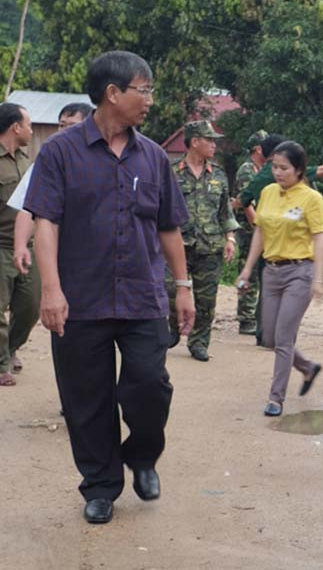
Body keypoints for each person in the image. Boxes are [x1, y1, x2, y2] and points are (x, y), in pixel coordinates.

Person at [24, 50, 195, 525]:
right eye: (145, 90)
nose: (150, 100)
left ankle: (141, 454)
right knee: (87, 398)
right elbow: (47, 222)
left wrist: (183, 286)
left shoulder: (155, 156)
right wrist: (52, 290)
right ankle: (100, 485)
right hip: (81, 297)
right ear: (113, 93)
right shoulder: (60, 152)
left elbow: (168, 228)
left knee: (149, 385)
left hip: (141, 296)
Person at [236, 141, 323, 417]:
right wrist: (247, 270)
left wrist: (318, 279)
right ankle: (308, 367)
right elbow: (260, 233)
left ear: (299, 170)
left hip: (300, 272)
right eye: (274, 167)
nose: (278, 173)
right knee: (269, 338)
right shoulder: (267, 193)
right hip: (271, 272)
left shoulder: (312, 199)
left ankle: (276, 399)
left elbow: (319, 239)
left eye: (284, 168)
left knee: (284, 338)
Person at [7, 102, 92, 380]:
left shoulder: (114, 158)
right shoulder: (50, 160)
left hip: (104, 265)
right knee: (69, 329)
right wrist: (21, 245)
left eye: (72, 126)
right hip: (61, 261)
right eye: (61, 126)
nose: (63, 132)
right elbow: (27, 208)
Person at [166, 120, 239, 361]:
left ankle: (198, 342)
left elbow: (225, 212)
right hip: (177, 246)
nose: (213, 145)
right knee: (169, 291)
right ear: (194, 141)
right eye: (209, 140)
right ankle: (172, 329)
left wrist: (230, 238)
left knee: (207, 301)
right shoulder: (171, 171)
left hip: (209, 247)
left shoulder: (218, 174)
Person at [0, 102, 38, 387]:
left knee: (31, 306)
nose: (31, 129)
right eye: (28, 124)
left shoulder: (28, 161)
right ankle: (2, 362)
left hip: (28, 246)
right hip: (0, 246)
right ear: (15, 126)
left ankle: (11, 346)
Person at [232, 129, 268, 335]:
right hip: (250, 230)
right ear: (258, 149)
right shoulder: (247, 170)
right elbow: (247, 204)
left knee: (260, 273)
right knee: (250, 271)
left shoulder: (263, 170)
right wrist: (258, 228)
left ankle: (256, 317)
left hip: (261, 229)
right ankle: (246, 319)